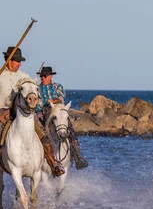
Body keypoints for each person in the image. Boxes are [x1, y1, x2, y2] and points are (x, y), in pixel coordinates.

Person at [0, 47, 64, 177]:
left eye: (20, 61)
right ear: (9, 61)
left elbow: (33, 92)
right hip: (2, 111)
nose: (20, 64)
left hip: (22, 111)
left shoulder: (24, 77)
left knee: (43, 135)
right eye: (17, 61)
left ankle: (53, 164)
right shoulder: (1, 75)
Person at [37, 66, 88, 169]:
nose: (43, 78)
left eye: (45, 76)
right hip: (41, 113)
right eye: (41, 76)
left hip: (57, 112)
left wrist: (52, 101)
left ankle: (77, 157)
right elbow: (37, 104)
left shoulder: (57, 87)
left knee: (71, 132)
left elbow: (61, 98)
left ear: (50, 76)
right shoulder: (36, 88)